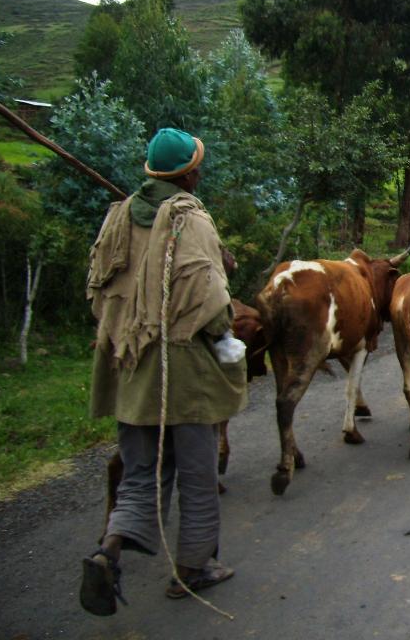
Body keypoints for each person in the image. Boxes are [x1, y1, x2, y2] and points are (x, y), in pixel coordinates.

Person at [80, 128, 248, 616]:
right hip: (184, 370)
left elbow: (100, 291)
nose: (200, 172)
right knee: (196, 474)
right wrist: (224, 336)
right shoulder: (189, 221)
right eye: (198, 166)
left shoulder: (119, 216)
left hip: (131, 364)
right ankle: (195, 568)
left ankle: (107, 551)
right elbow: (208, 297)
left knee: (139, 474)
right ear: (189, 173)